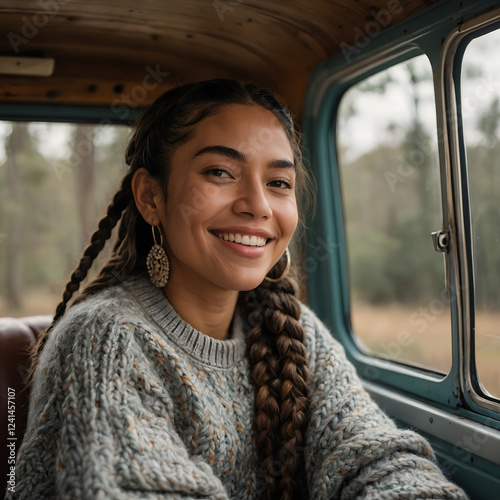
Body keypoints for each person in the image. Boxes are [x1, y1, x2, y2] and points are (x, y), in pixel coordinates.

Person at [7, 80, 468, 500]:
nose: (258, 205)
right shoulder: (105, 340)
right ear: (151, 197)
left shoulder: (292, 331)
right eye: (220, 173)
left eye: (279, 182)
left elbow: (375, 459)